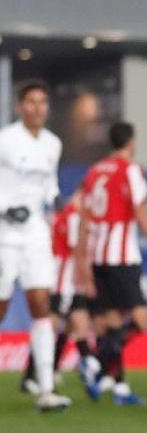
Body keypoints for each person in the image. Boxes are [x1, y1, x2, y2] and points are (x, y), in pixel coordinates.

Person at [75, 122, 147, 405]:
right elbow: (139, 211)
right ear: (131, 143)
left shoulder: (94, 171)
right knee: (140, 320)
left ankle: (119, 388)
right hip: (123, 257)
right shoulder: (130, 170)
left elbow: (84, 218)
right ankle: (94, 361)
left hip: (98, 256)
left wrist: (82, 261)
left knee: (113, 323)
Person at [0, 80, 71, 412]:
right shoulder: (5, 140)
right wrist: (5, 208)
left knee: (42, 305)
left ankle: (45, 389)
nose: (38, 108)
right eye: (31, 101)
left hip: (35, 234)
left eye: (43, 102)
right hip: (4, 234)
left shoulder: (53, 144)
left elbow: (49, 183)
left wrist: (55, 199)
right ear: (20, 107)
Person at [20, 190, 102, 397]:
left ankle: (87, 366)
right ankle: (30, 377)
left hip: (66, 281)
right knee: (50, 327)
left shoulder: (63, 216)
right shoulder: (73, 217)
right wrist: (87, 279)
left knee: (79, 325)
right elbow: (77, 251)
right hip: (62, 281)